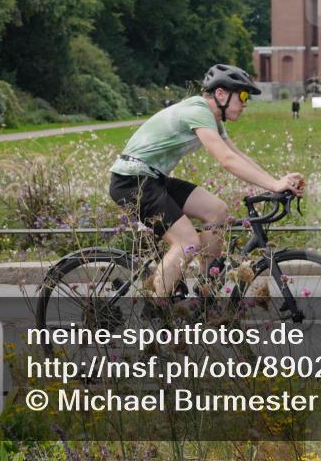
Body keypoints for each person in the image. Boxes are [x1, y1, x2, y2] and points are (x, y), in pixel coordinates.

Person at [108, 64, 305, 299]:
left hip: (154, 179)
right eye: (242, 95)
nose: (245, 102)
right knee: (186, 241)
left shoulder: (213, 119)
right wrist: (274, 185)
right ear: (221, 94)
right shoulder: (198, 110)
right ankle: (156, 316)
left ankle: (206, 288)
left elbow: (239, 155)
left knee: (217, 211)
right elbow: (227, 159)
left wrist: (277, 181)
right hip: (131, 181)